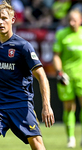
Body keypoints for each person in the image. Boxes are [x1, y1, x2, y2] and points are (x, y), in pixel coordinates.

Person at [0, 1, 55, 150]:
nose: (1, 22)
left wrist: (46, 105)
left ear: (12, 20)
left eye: (4, 18)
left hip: (21, 105)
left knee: (38, 146)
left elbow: (42, 76)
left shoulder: (23, 46)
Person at [52, 9, 82, 148]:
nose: (72, 23)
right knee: (69, 108)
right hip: (66, 77)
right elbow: (56, 55)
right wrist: (59, 72)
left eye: (74, 20)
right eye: (70, 20)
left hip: (81, 77)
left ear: (80, 20)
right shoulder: (61, 34)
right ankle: (71, 138)